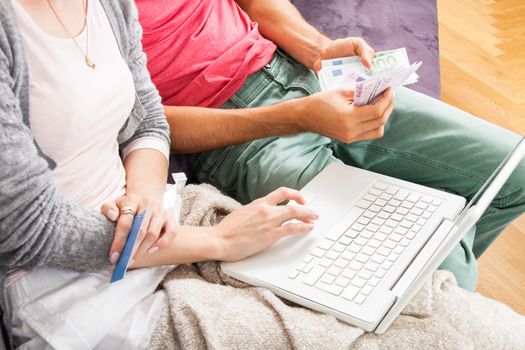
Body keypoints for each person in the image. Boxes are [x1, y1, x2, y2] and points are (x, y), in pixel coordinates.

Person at [134, 0, 525, 291]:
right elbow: (143, 123)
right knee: (448, 273)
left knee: (516, 171)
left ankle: (414, 264)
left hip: (300, 74)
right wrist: (297, 116)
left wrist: (318, 48)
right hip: (243, 139)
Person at [0, 0, 318, 348]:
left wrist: (146, 203)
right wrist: (220, 240)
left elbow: (147, 119)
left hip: (156, 222)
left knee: (328, 281)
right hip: (65, 285)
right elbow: (31, 230)